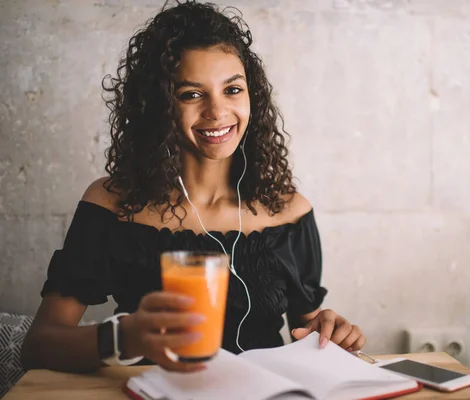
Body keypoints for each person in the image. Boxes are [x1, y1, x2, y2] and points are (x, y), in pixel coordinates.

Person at [20, 1, 366, 373]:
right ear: (159, 105)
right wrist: (126, 336)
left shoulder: (290, 211)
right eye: (191, 94)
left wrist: (331, 334)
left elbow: (308, 331)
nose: (217, 112)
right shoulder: (113, 204)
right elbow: (40, 346)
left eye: (232, 89)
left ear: (253, 97)